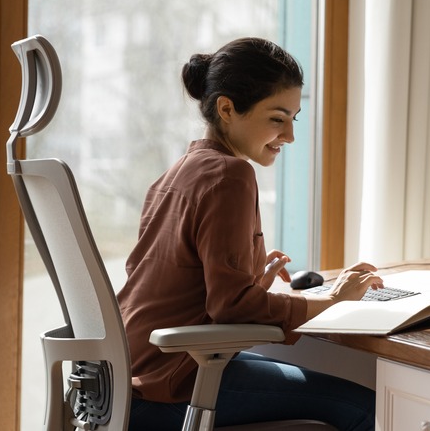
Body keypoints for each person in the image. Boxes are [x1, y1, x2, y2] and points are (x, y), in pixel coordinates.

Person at [117, 37, 382, 431]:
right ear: (227, 108)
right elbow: (233, 308)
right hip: (174, 385)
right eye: (277, 118)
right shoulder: (231, 174)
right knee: (370, 407)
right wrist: (333, 300)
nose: (290, 135)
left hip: (130, 377)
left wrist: (249, 283)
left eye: (294, 117)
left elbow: (178, 285)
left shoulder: (177, 173)